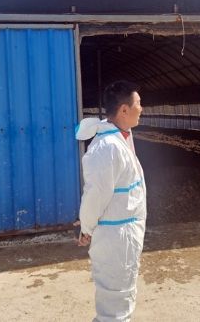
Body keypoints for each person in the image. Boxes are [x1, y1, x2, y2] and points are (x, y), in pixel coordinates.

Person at [75, 80, 146, 322]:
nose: (142, 108)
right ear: (124, 110)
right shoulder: (107, 148)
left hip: (122, 234)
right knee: (115, 303)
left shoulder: (121, 137)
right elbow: (95, 196)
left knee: (120, 297)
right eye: (138, 103)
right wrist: (86, 228)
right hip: (116, 238)